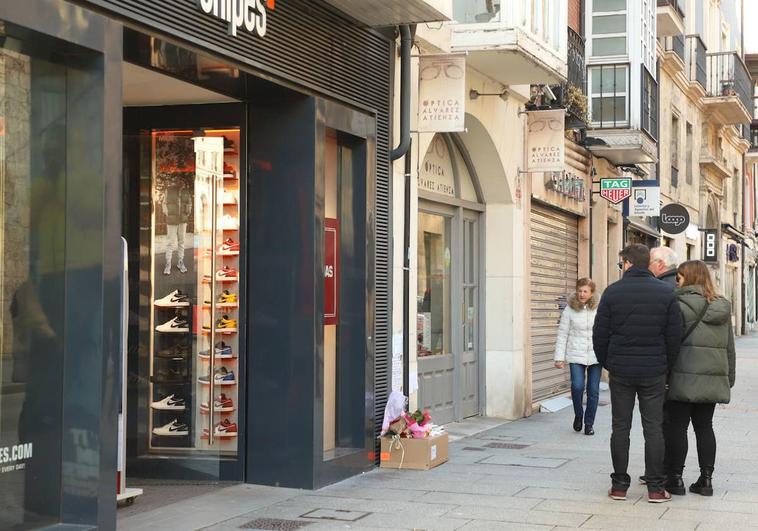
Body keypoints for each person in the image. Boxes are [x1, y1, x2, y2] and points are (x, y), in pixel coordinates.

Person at [593, 244, 682, 503]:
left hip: (621, 369)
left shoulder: (612, 292)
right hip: (654, 371)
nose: (621, 268)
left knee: (620, 427)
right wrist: (666, 365)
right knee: (653, 427)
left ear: (629, 263)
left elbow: (599, 334)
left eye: (622, 264)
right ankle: (655, 488)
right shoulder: (666, 294)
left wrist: (607, 362)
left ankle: (619, 485)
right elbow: (673, 337)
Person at [663, 260, 735, 497]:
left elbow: (669, 343)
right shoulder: (721, 306)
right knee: (705, 427)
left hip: (681, 378)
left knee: (678, 427)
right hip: (712, 378)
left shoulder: (676, 304)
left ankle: (675, 480)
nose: (677, 281)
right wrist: (728, 378)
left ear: (689, 278)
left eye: (680, 277)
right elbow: (729, 348)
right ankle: (706, 481)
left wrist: (664, 374)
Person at [554, 278, 601, 436]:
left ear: (591, 293)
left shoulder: (599, 309)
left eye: (585, 291)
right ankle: (578, 414)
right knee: (577, 386)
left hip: (596, 355)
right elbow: (562, 334)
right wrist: (559, 357)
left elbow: (606, 332)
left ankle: (589, 424)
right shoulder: (570, 309)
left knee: (593, 390)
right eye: (579, 291)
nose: (582, 294)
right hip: (575, 353)